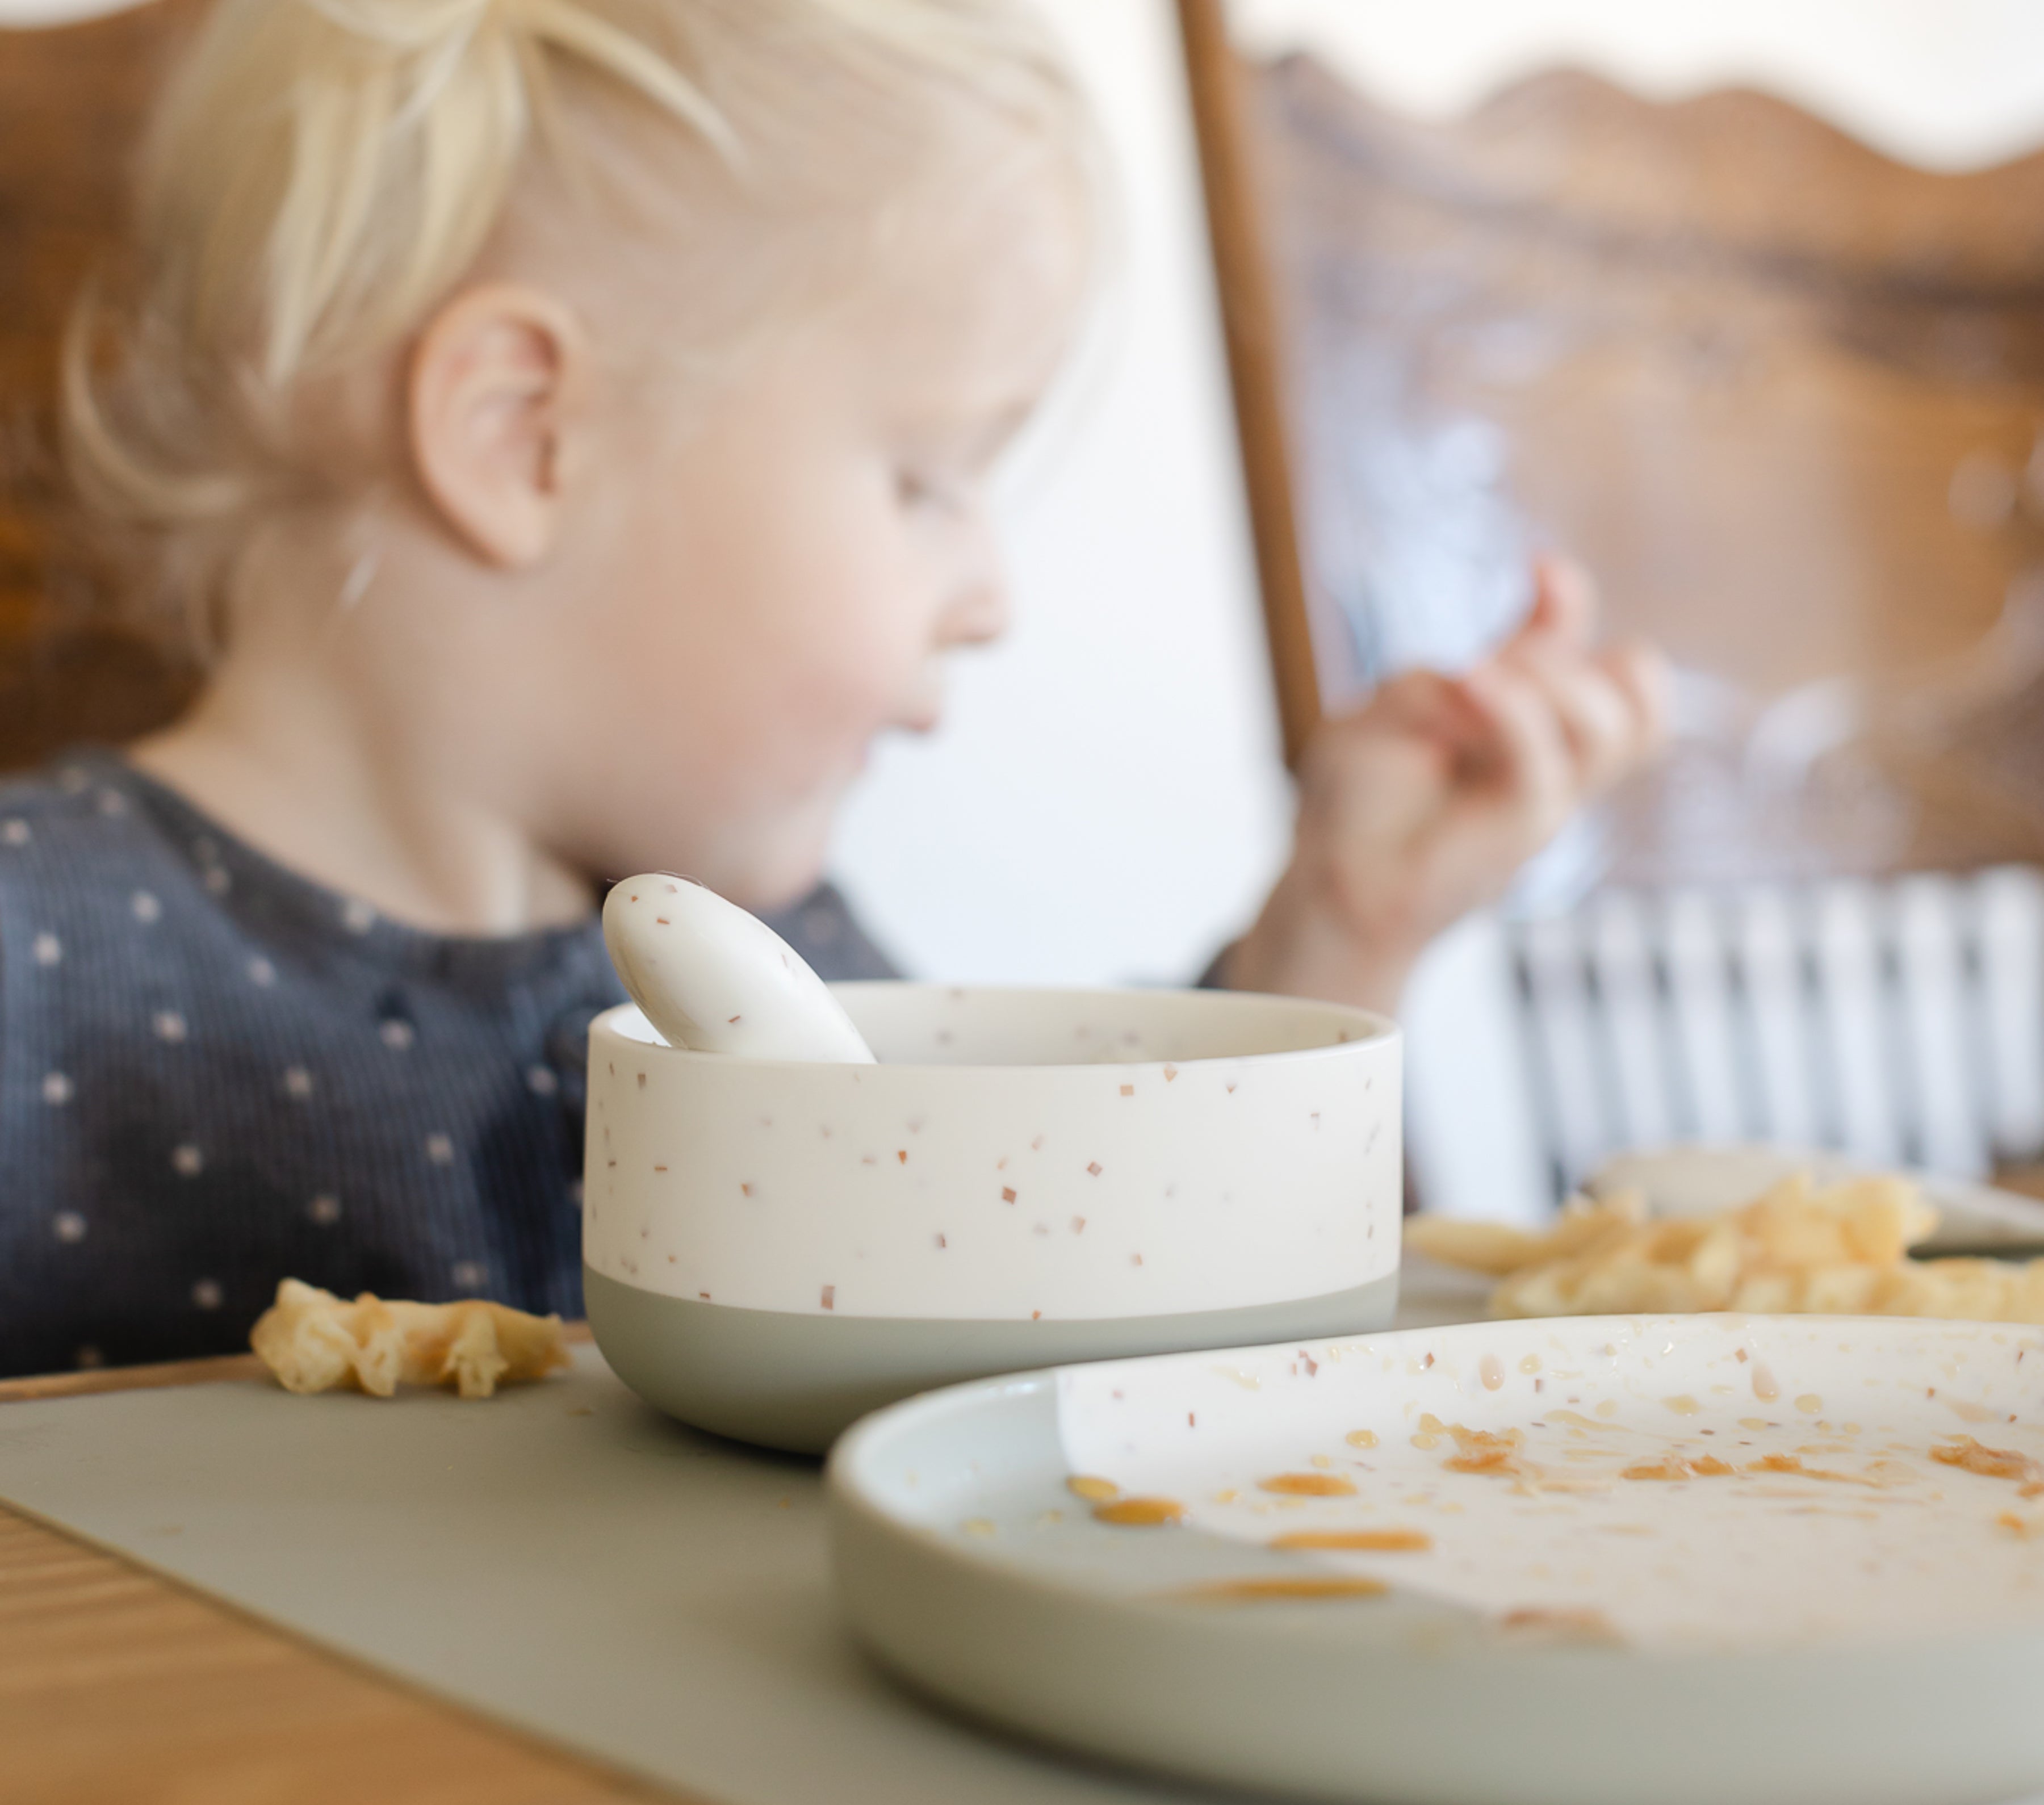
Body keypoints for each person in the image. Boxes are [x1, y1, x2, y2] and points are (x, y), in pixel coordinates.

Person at [0, 0, 1665, 1376]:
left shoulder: (772, 980)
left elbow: (1064, 1287)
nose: (993, 597)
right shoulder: (36, 957)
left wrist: (1342, 926)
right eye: (928, 479)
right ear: (527, 438)